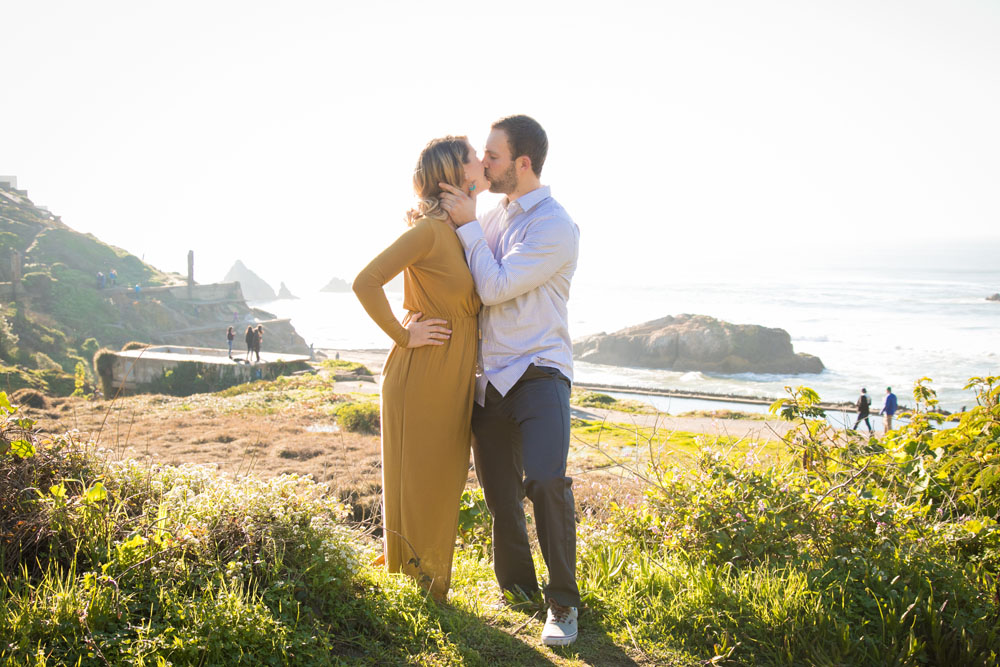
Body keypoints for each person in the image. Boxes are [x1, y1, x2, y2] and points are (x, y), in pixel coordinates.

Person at [439, 115, 581, 647]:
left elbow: (494, 288)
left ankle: (563, 604)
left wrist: (469, 224)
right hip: (488, 379)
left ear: (523, 163)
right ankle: (519, 591)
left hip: (540, 371)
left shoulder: (554, 227)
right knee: (500, 498)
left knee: (545, 480)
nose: (484, 164)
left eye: (492, 156)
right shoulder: (492, 215)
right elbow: (460, 279)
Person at [353, 135, 485, 601]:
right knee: (425, 475)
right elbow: (366, 281)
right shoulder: (429, 230)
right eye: (474, 156)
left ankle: (418, 574)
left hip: (452, 371)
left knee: (444, 473)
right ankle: (424, 584)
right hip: (424, 369)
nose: (483, 160)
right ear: (455, 172)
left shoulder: (464, 228)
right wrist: (404, 334)